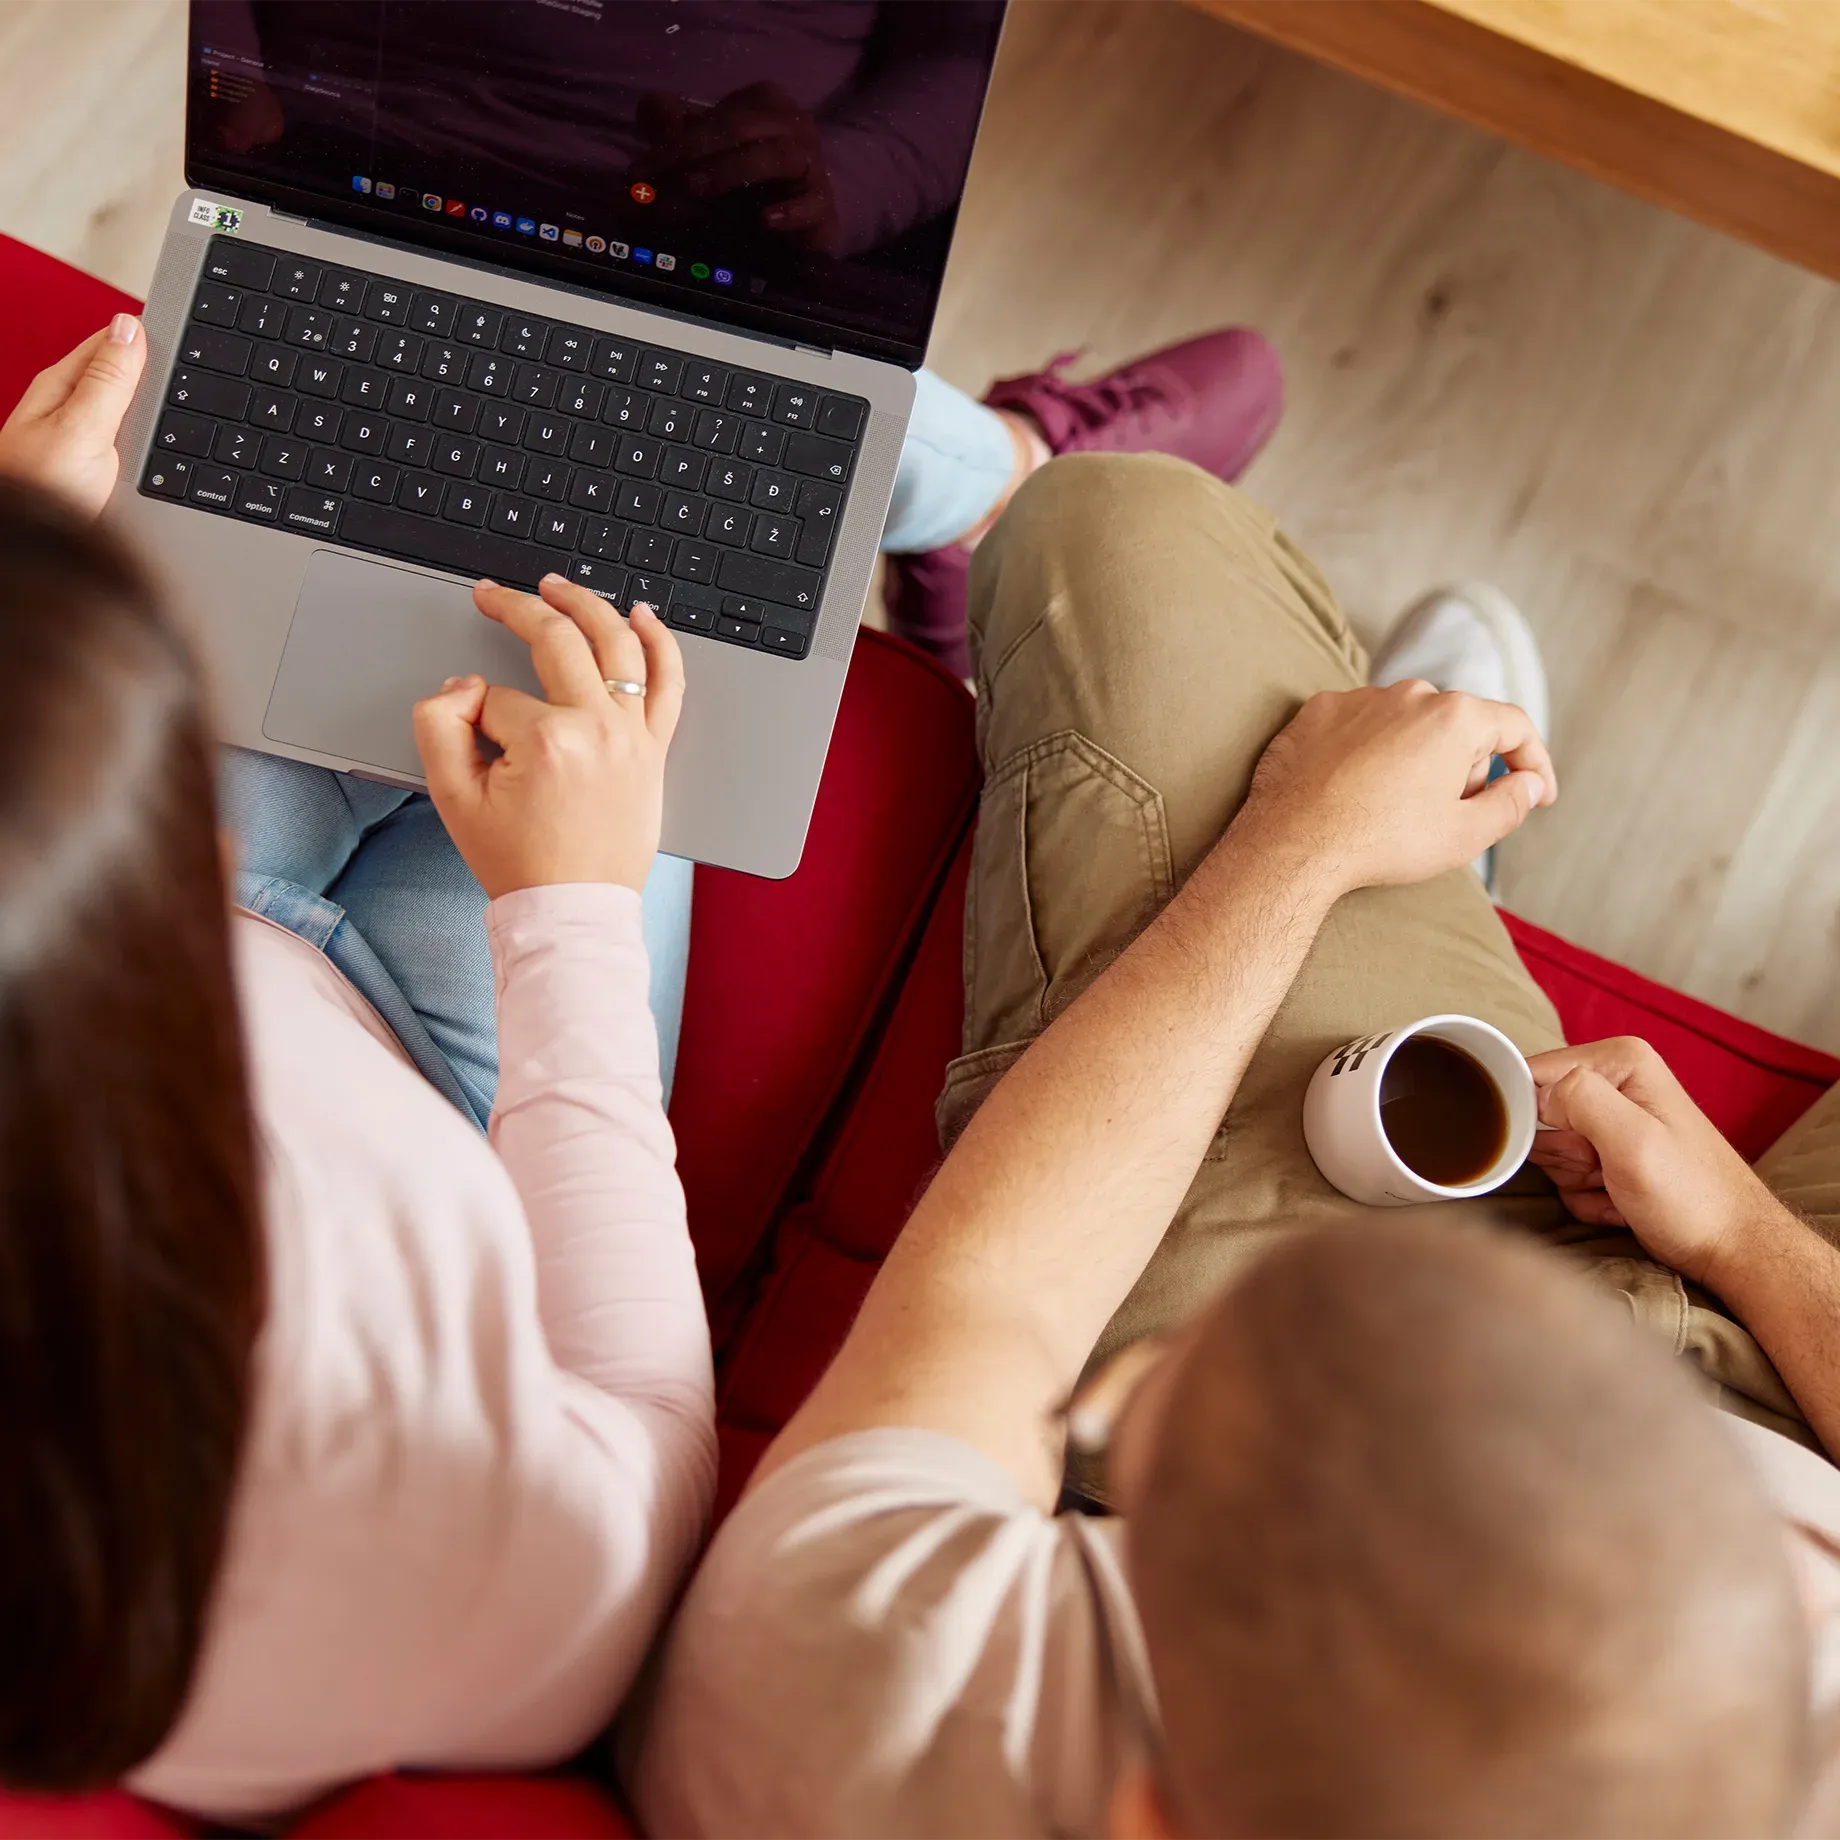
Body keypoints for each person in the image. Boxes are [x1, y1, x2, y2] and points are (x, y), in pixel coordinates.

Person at [632, 452, 1840, 1838]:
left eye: (1139, 1414)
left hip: (1368, 1326)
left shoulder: (852, 1702)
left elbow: (1005, 1300)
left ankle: (1437, 889)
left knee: (1119, 529)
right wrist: (1742, 1240)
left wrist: (1311, 834)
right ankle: (1454, 900)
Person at [0, 319, 716, 1821]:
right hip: (477, 1120)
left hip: (111, 947)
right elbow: (647, 1434)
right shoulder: (411, 1479)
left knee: (432, 448)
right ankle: (945, 470)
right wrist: (572, 910)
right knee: (624, 561)